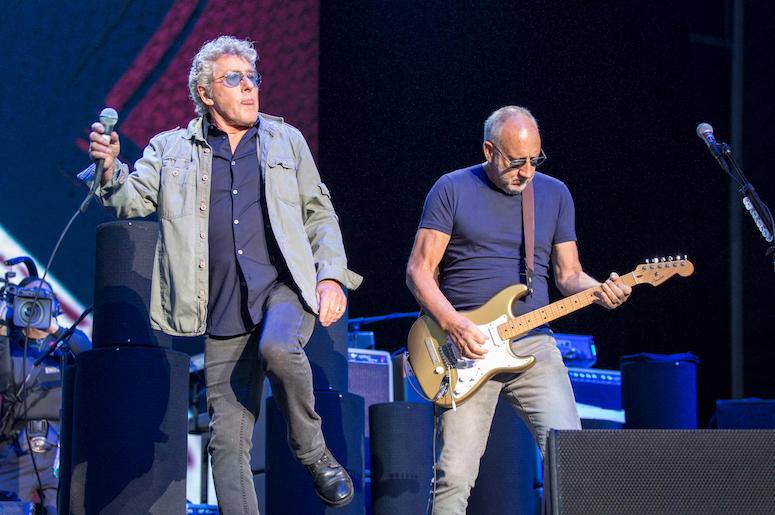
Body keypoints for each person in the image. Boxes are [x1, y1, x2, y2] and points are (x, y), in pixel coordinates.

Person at [84, 36, 362, 513]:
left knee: (278, 347)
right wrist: (109, 170)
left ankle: (314, 454)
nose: (250, 87)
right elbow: (130, 199)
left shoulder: (286, 140)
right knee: (227, 447)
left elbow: (319, 214)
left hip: (281, 291)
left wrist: (331, 275)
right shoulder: (170, 149)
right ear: (206, 93)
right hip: (222, 310)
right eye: (234, 78)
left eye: (253, 77)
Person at [405, 105, 632, 514]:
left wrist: (599, 290)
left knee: (572, 461)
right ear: (489, 150)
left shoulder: (554, 194)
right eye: (516, 161)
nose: (526, 172)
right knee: (454, 476)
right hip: (464, 347)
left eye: (534, 160)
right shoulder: (451, 188)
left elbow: (569, 275)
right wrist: (453, 324)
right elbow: (419, 271)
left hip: (533, 343)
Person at [0, 277, 91, 515]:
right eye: (27, 300)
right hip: (15, 449)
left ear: (55, 306)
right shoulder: (9, 345)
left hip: (59, 452)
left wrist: (53, 328)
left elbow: (87, 353)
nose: (34, 307)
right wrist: (4, 324)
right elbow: (3, 378)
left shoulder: (64, 346)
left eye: (42, 300)